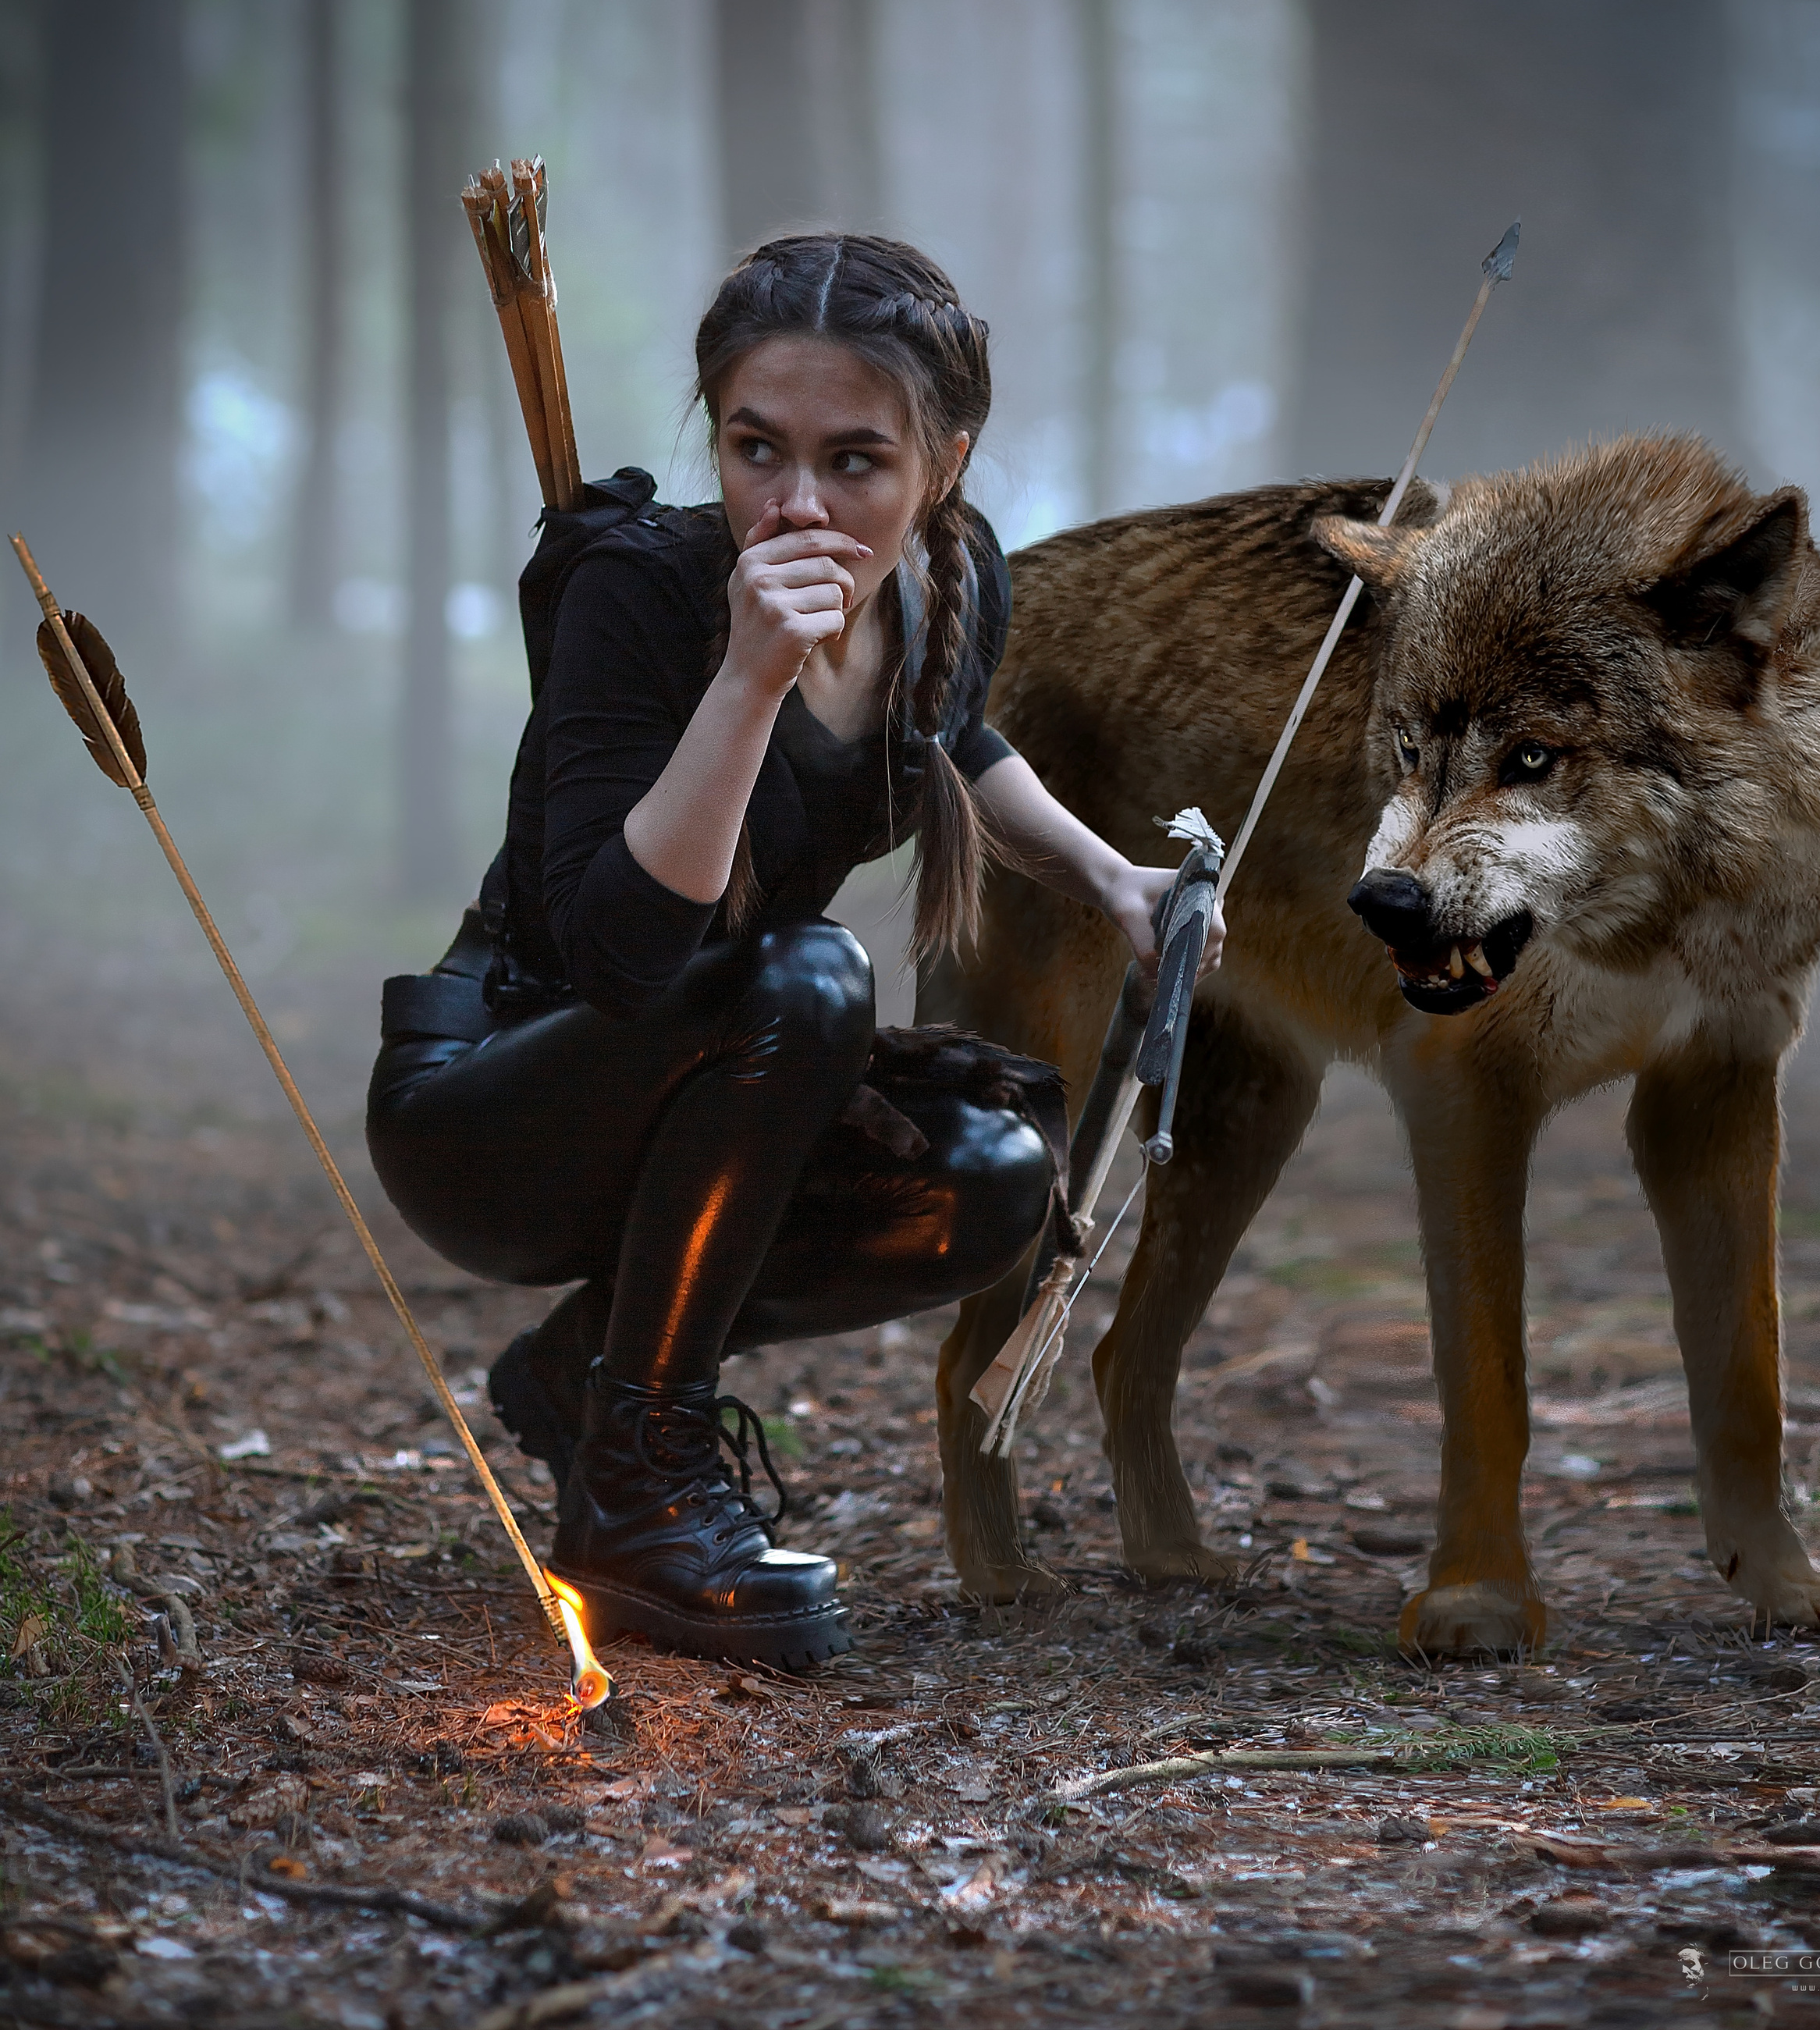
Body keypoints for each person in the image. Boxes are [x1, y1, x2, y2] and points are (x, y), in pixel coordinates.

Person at [365, 234, 1223, 1669]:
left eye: (855, 462)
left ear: (942, 464)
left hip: (707, 1101)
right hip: (500, 1101)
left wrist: (1109, 870)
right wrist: (749, 677)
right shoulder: (636, 592)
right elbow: (629, 957)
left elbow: (947, 728)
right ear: (715, 431)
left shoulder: (950, 581)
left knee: (996, 1177)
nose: (798, 503)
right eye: (759, 448)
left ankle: (592, 1375)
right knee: (812, 973)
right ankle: (641, 1478)